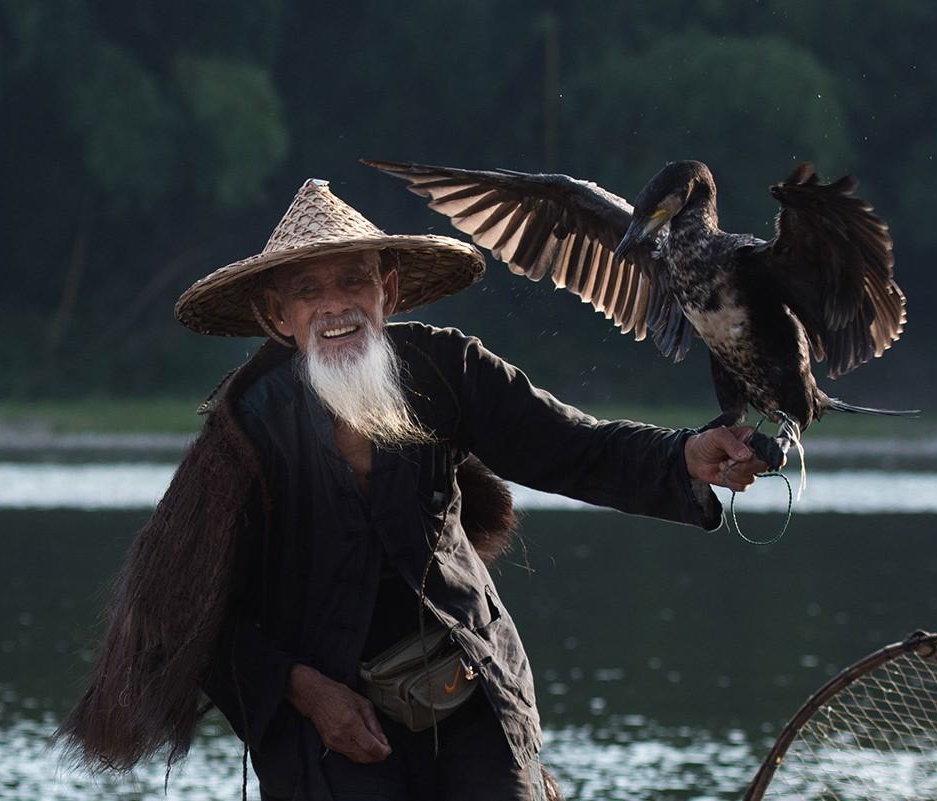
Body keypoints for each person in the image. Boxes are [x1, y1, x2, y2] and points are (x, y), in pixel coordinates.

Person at [58, 178, 775, 800]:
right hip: (330, 733)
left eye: (353, 282)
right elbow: (180, 610)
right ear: (278, 318)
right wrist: (305, 691)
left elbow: (574, 447)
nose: (335, 306)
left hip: (471, 690)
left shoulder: (447, 369)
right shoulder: (246, 431)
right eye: (309, 291)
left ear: (388, 291)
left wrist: (687, 454)